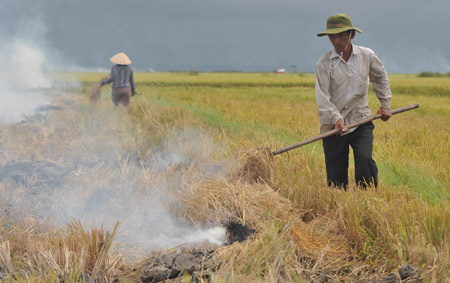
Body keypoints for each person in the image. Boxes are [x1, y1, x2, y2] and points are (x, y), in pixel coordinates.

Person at [314, 14, 392, 189]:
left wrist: (385, 105)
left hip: (360, 119)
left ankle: (368, 200)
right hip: (333, 126)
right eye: (332, 36)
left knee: (365, 160)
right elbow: (322, 96)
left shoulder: (367, 56)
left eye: (341, 35)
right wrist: (336, 118)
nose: (336, 40)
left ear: (352, 35)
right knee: (336, 178)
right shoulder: (323, 64)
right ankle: (340, 208)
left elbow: (380, 77)